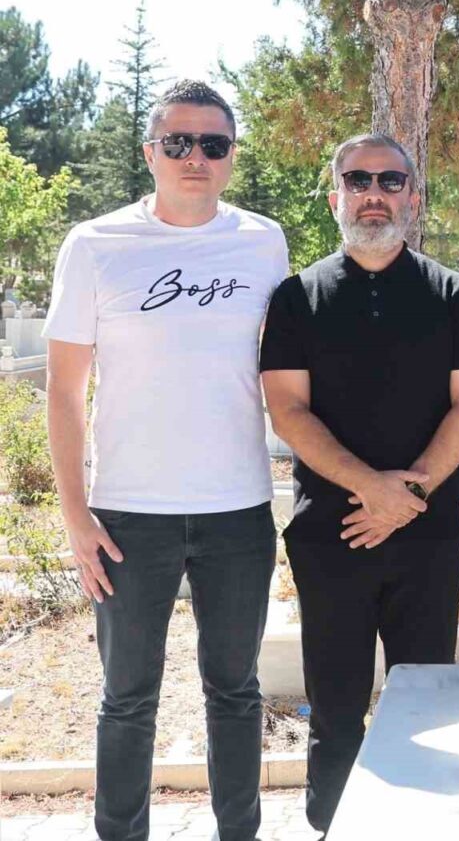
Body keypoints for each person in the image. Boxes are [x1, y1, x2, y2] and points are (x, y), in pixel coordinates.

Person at [44, 79, 288, 841]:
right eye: (177, 143)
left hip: (239, 511)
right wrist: (76, 515)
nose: (194, 158)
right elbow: (62, 388)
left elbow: (287, 373)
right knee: (126, 700)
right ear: (150, 152)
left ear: (231, 157)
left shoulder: (264, 241)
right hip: (127, 518)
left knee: (236, 693)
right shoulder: (94, 244)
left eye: (212, 144)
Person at [260, 133, 459, 832]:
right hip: (332, 535)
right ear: (335, 196)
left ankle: (426, 828)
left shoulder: (455, 292)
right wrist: (376, 491)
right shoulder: (297, 298)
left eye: (391, 182)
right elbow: (287, 409)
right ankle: (333, 827)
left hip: (429, 535)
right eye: (357, 180)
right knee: (335, 707)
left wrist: (410, 496)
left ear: (412, 199)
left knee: (428, 701)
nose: (374, 193)